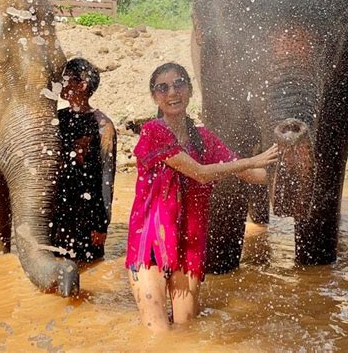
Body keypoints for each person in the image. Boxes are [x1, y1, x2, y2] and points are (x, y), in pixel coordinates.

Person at [125, 62, 278, 332]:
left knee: (186, 331)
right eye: (163, 87)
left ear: (190, 90)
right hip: (151, 241)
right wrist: (250, 160)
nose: (172, 92)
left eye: (179, 84)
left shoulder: (203, 138)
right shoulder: (153, 131)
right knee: (158, 333)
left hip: (190, 243)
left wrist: (285, 170)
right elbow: (200, 173)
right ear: (154, 97)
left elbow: (251, 173)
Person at [53, 58, 117, 263]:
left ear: (82, 85)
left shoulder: (103, 126)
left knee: (87, 266)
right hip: (58, 210)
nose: (60, 84)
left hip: (87, 216)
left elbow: (106, 179)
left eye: (65, 80)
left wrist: (101, 224)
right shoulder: (56, 118)